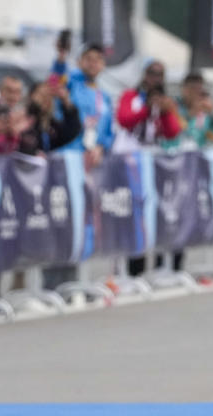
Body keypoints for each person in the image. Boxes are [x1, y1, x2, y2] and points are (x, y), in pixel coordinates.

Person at [115, 61, 184, 276]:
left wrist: (164, 112)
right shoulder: (131, 97)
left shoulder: (165, 102)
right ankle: (132, 270)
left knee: (158, 215)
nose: (156, 78)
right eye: (152, 73)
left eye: (160, 74)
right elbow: (124, 119)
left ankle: (160, 265)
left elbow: (172, 132)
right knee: (132, 217)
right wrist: (147, 108)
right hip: (130, 165)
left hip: (154, 167)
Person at [51, 41, 115, 168]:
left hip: (91, 161)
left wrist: (100, 148)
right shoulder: (71, 84)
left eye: (98, 59)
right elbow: (56, 80)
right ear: (79, 62)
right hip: (66, 156)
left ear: (103, 65)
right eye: (89, 59)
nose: (93, 63)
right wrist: (61, 57)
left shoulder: (105, 97)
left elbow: (109, 132)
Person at [17, 81, 81, 155]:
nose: (45, 99)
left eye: (49, 96)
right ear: (31, 96)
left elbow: (72, 130)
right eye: (42, 94)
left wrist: (65, 100)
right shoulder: (21, 118)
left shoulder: (49, 125)